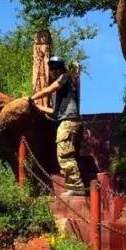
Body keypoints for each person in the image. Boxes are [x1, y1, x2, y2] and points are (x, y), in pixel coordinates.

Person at [29, 56, 84, 194]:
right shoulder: (60, 92)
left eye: (56, 68)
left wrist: (31, 98)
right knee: (64, 154)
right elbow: (54, 113)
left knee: (64, 154)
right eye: (51, 68)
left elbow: (49, 89)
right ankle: (73, 186)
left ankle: (76, 186)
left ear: (61, 68)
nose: (53, 71)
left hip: (68, 122)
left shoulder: (65, 77)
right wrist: (37, 107)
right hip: (65, 122)